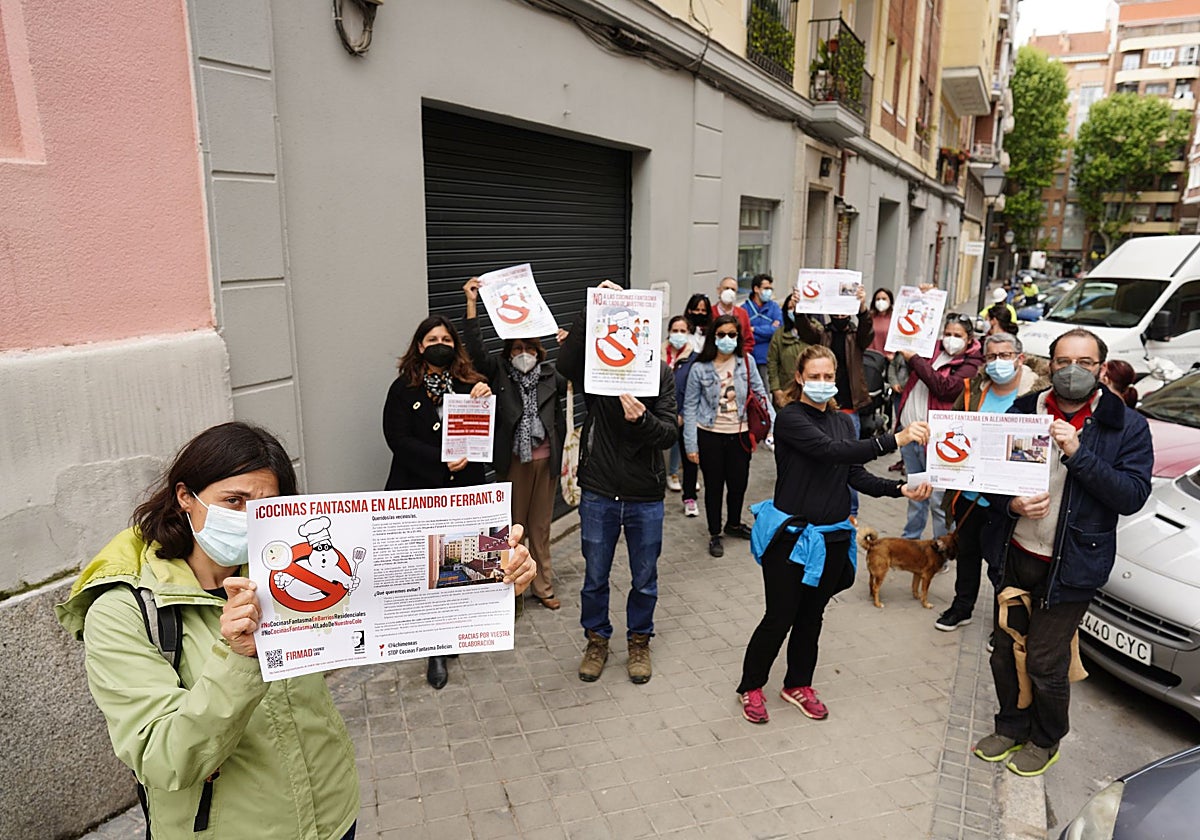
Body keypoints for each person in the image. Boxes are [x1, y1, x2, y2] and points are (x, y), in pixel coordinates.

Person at [973, 328, 1152, 776]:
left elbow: (1131, 495)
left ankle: (1046, 738)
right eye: (1063, 360)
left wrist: (1077, 452)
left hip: (1073, 564)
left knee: (1045, 661)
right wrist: (1010, 504)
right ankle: (1010, 726)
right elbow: (988, 479)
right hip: (1016, 553)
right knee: (1003, 650)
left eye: (1085, 362)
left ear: (1101, 369)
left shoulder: (1126, 425)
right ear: (1048, 364)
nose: (1073, 370)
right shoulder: (1021, 410)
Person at [735, 346, 932, 724]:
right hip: (791, 539)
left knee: (812, 617)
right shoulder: (791, 418)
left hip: (831, 538)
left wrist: (899, 489)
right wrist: (897, 439)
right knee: (779, 617)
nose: (823, 383)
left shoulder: (844, 421)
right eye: (815, 376)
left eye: (829, 377)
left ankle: (797, 684)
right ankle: (751, 687)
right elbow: (829, 452)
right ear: (800, 377)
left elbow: (852, 472)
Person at [557, 280, 678, 685]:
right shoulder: (597, 368)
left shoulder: (660, 374)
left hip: (645, 495)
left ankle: (639, 640)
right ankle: (596, 639)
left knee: (644, 577)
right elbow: (565, 362)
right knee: (595, 576)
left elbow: (668, 434)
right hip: (599, 492)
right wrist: (592, 305)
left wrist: (641, 420)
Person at [384, 314, 493, 689]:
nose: (439, 343)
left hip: (461, 490)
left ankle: (451, 632)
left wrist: (486, 395)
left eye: (446, 337)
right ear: (419, 346)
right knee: (425, 569)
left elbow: (484, 432)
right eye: (432, 338)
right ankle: (434, 649)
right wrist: (439, 458)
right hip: (418, 491)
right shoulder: (403, 389)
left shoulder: (470, 384)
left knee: (457, 563)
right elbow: (396, 439)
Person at [462, 278, 568, 610]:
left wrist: (571, 341)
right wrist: (471, 305)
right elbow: (477, 350)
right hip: (513, 462)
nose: (524, 354)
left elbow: (576, 367)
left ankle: (543, 586)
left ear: (539, 352)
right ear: (509, 353)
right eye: (517, 349)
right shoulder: (499, 373)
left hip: (545, 463)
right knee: (509, 527)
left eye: (530, 348)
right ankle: (505, 590)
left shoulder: (552, 375)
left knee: (539, 527)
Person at [933, 333, 1047, 633]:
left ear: (1019, 358)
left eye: (1005, 355)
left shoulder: (1037, 396)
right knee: (967, 554)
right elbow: (953, 426)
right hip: (970, 494)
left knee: (1003, 564)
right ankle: (962, 607)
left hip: (1010, 500)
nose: (999, 363)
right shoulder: (973, 391)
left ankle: (1004, 626)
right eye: (992, 357)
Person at [683, 314, 769, 558]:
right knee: (714, 487)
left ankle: (733, 523)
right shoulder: (699, 368)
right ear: (713, 337)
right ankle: (714, 532)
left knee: (738, 484)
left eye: (732, 335)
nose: (727, 339)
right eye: (721, 335)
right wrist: (691, 444)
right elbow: (689, 407)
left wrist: (773, 425)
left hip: (739, 435)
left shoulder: (747, 362)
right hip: (710, 434)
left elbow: (760, 394)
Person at [896, 314, 984, 539]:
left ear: (969, 338)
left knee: (938, 500)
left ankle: (942, 547)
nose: (951, 339)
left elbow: (944, 388)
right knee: (916, 493)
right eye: (947, 334)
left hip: (939, 441)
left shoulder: (972, 363)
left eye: (958, 336)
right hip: (911, 433)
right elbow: (916, 324)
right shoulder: (932, 349)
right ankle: (910, 540)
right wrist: (926, 297)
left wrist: (915, 359)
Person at [794, 285, 874, 520]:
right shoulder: (822, 334)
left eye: (844, 310)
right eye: (836, 309)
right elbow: (805, 331)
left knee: (850, 462)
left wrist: (862, 309)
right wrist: (801, 307)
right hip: (822, 406)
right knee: (824, 458)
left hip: (849, 407)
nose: (840, 314)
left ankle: (851, 512)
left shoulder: (856, 335)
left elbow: (867, 332)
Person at [666, 315, 701, 516]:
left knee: (690, 458)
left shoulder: (694, 359)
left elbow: (694, 391)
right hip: (659, 417)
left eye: (682, 331)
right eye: (675, 330)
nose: (678, 335)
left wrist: (683, 415)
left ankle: (689, 499)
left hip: (685, 416)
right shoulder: (657, 355)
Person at [743, 274, 783, 449]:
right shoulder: (745, 309)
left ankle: (770, 429)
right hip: (751, 357)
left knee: (765, 394)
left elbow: (776, 329)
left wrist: (754, 328)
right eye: (766, 288)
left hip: (767, 358)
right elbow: (745, 332)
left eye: (770, 288)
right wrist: (764, 329)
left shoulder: (774, 307)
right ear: (756, 289)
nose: (769, 292)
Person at [766, 291, 811, 411]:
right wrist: (776, 390)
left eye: (797, 307)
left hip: (810, 391)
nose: (794, 311)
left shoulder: (816, 331)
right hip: (785, 391)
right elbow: (772, 363)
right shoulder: (779, 335)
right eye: (790, 308)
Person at [715, 276, 755, 359]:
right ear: (719, 290)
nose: (729, 292)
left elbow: (749, 339)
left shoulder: (742, 313)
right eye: (726, 288)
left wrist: (741, 356)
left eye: (733, 289)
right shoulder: (711, 312)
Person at [867, 287, 895, 359]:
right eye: (878, 299)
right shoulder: (869, 318)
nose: (880, 301)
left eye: (884, 299)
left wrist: (893, 355)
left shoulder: (894, 319)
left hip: (888, 359)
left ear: (890, 301)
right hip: (870, 358)